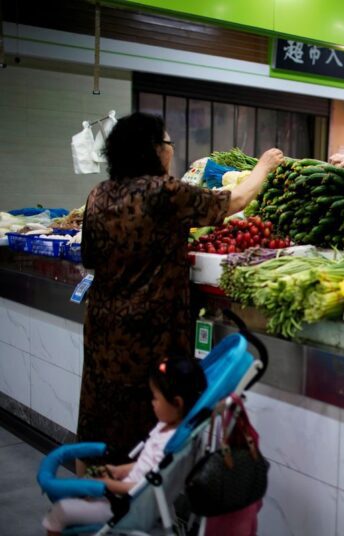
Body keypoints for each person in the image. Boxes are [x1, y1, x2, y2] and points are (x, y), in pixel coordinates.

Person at [78, 112, 283, 465]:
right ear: (155, 150)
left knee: (100, 409)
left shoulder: (99, 195)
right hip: (149, 331)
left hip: (103, 327)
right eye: (169, 143)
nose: (171, 151)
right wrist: (263, 166)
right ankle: (136, 493)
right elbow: (232, 202)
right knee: (150, 413)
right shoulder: (163, 192)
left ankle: (90, 484)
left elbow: (90, 256)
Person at [43, 357, 207, 535]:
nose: (152, 403)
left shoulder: (168, 444)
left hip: (125, 507)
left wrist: (107, 485)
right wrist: (119, 470)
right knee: (78, 499)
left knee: (60, 511)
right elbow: (147, 466)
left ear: (177, 403)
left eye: (156, 398)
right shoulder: (167, 427)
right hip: (125, 497)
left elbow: (143, 486)